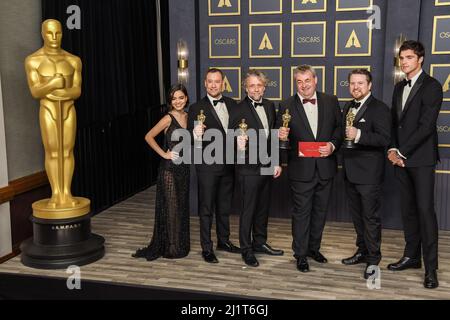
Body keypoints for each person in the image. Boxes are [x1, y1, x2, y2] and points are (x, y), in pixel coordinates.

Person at [387, 40, 443, 289]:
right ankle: (412, 257)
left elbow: (426, 126)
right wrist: (391, 148)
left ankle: (431, 269)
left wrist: (402, 151)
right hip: (400, 160)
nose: (404, 61)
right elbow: (393, 123)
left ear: (420, 59)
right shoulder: (399, 87)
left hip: (420, 160)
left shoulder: (432, 86)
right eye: (402, 58)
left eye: (409, 57)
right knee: (408, 211)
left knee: (425, 213)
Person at [277, 65, 342, 272]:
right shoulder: (286, 105)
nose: (303, 85)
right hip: (301, 170)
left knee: (320, 212)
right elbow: (282, 141)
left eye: (307, 80)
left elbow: (339, 128)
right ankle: (301, 254)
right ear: (295, 83)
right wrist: (281, 138)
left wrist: (332, 145)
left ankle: (314, 248)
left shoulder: (331, 100)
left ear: (315, 80)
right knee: (301, 214)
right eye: (299, 81)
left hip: (325, 167)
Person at [25, 19, 82, 208]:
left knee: (67, 150)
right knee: (52, 151)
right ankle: (55, 193)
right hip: (48, 109)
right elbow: (35, 91)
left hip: (67, 108)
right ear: (42, 34)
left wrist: (63, 92)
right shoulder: (33, 60)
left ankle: (66, 192)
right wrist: (52, 84)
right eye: (49, 33)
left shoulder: (73, 60)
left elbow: (77, 90)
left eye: (58, 33)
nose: (54, 37)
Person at [340, 69, 391, 279]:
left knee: (370, 219)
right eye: (352, 83)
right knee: (358, 218)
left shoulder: (379, 108)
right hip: (350, 172)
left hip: (369, 175)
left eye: (360, 83)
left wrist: (359, 134)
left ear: (369, 85)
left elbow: (384, 139)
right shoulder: (348, 106)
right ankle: (361, 251)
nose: (356, 87)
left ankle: (373, 260)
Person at [187, 68, 240, 263]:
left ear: (223, 83)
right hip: (207, 166)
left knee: (224, 207)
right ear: (204, 83)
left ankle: (223, 241)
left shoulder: (233, 105)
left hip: (229, 165)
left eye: (217, 81)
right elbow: (188, 140)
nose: (213, 85)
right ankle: (206, 247)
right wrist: (195, 134)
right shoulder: (195, 108)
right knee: (206, 208)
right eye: (209, 81)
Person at [133, 84, 190, 261]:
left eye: (181, 98)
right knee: (171, 208)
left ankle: (179, 243)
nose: (178, 101)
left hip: (184, 168)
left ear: (186, 98)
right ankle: (171, 247)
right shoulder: (168, 118)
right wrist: (164, 153)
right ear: (170, 101)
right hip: (169, 170)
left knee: (181, 207)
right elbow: (148, 136)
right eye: (174, 99)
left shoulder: (189, 117)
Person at [234, 69, 283, 267]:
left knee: (263, 207)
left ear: (264, 87)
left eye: (259, 85)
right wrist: (236, 143)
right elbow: (228, 137)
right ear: (246, 88)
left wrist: (276, 162)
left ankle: (260, 242)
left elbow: (273, 137)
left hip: (266, 165)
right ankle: (246, 249)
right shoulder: (238, 109)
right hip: (247, 167)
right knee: (248, 210)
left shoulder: (270, 106)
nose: (255, 89)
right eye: (251, 85)